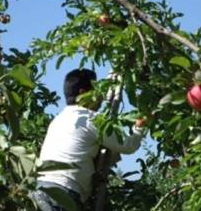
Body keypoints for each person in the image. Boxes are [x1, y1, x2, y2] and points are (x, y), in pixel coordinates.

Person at [30, 69, 145, 211]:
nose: (100, 97)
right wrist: (140, 126)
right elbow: (129, 145)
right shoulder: (91, 119)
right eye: (96, 91)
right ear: (83, 93)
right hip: (64, 193)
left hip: (40, 190)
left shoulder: (58, 119)